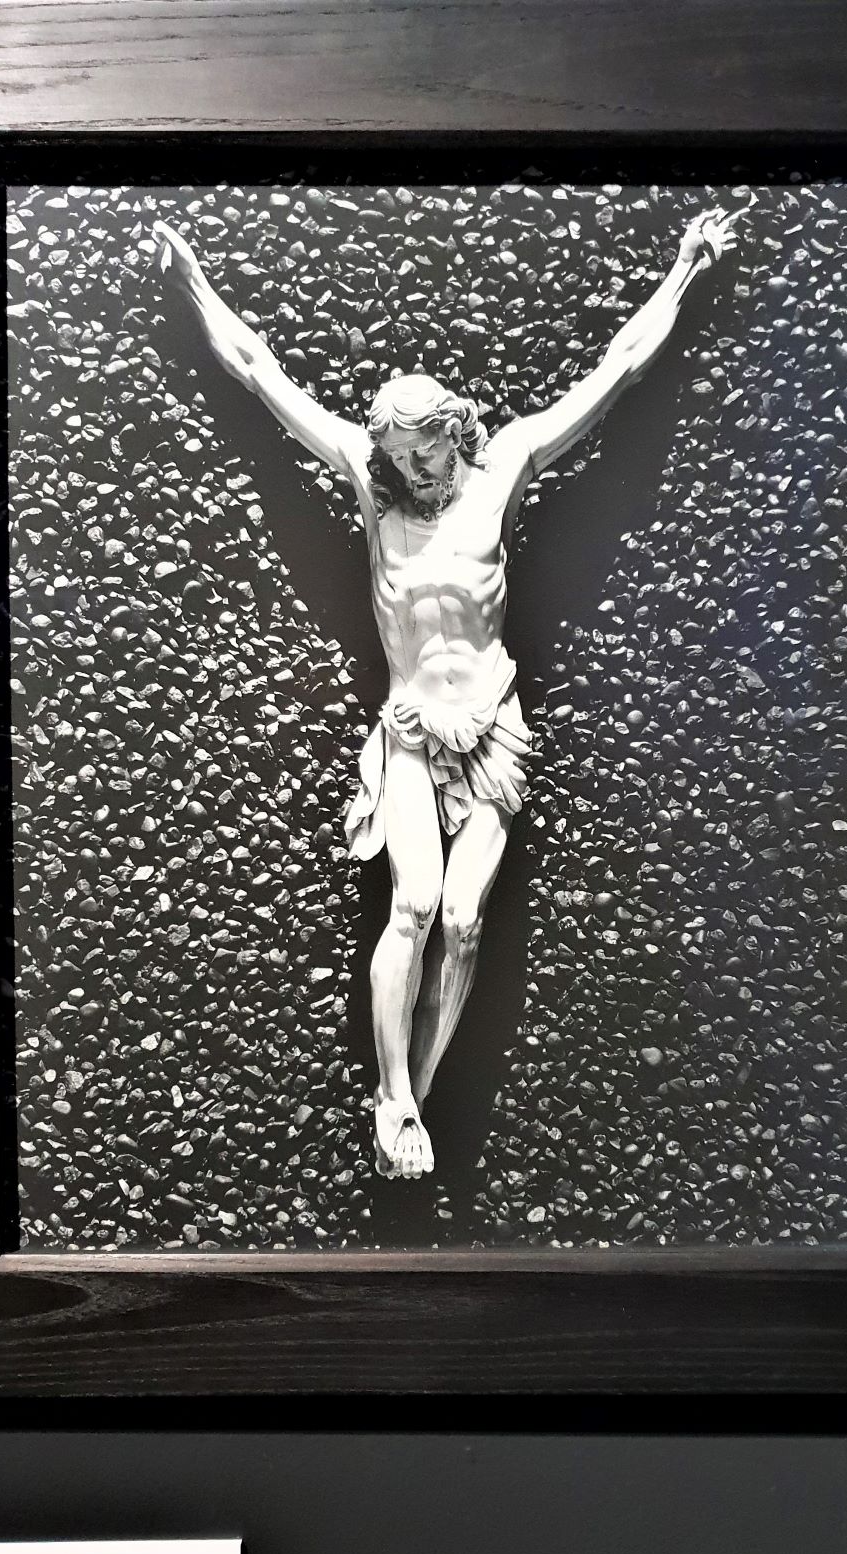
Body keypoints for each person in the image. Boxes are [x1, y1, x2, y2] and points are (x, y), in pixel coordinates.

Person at [151, 201, 742, 1180]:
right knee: (415, 903)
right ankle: (393, 1097)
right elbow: (259, 370)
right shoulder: (372, 483)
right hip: (410, 731)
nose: (410, 470)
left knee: (465, 921)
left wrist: (684, 268)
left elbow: (618, 370)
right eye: (395, 457)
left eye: (422, 453)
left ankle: (414, 1096)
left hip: (493, 727)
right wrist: (192, 280)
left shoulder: (503, 467)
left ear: (454, 432)